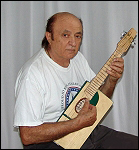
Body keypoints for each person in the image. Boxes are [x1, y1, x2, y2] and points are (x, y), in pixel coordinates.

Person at [13, 12, 138, 149]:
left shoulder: (78, 59)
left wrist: (111, 81)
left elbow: (98, 100)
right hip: (49, 143)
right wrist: (77, 123)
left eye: (78, 36)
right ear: (49, 36)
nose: (73, 43)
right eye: (66, 35)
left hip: (85, 132)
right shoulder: (33, 74)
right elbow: (27, 136)